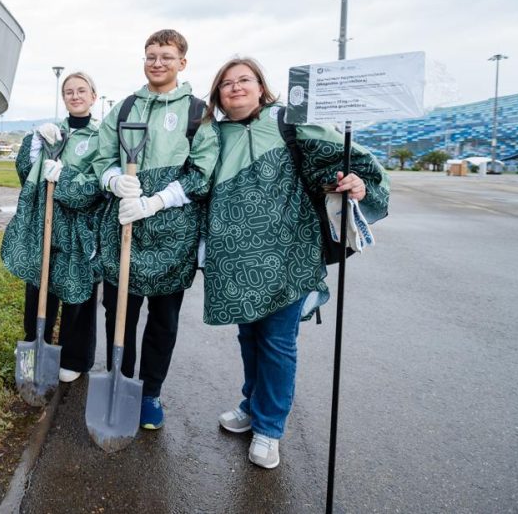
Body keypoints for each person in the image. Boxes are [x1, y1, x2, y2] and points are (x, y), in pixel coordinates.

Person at [201, 57, 389, 469]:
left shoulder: (288, 121)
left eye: (244, 80)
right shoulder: (211, 136)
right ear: (217, 95)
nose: (235, 87)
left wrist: (352, 180)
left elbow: (339, 163)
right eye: (226, 83)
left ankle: (269, 428)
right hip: (234, 260)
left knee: (277, 341)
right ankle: (251, 404)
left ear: (260, 86)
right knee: (249, 337)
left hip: (289, 254)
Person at [92, 29, 216, 429]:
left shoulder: (198, 112)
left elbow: (202, 174)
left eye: (165, 56)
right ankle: (119, 379)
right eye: (150, 56)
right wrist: (114, 180)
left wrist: (157, 200)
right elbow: (102, 156)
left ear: (182, 62)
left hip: (172, 235)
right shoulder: (126, 107)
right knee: (118, 313)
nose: (156, 63)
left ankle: (149, 394)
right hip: (123, 228)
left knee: (163, 320)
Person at [0, 71, 106, 383]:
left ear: (93, 96)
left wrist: (67, 178)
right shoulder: (53, 133)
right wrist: (34, 142)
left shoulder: (101, 137)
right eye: (69, 92)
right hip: (46, 223)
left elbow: (99, 181)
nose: (75, 96)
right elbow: (27, 172)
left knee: (78, 291)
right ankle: (37, 343)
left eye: (81, 91)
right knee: (39, 285)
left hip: (79, 226)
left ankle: (75, 357)